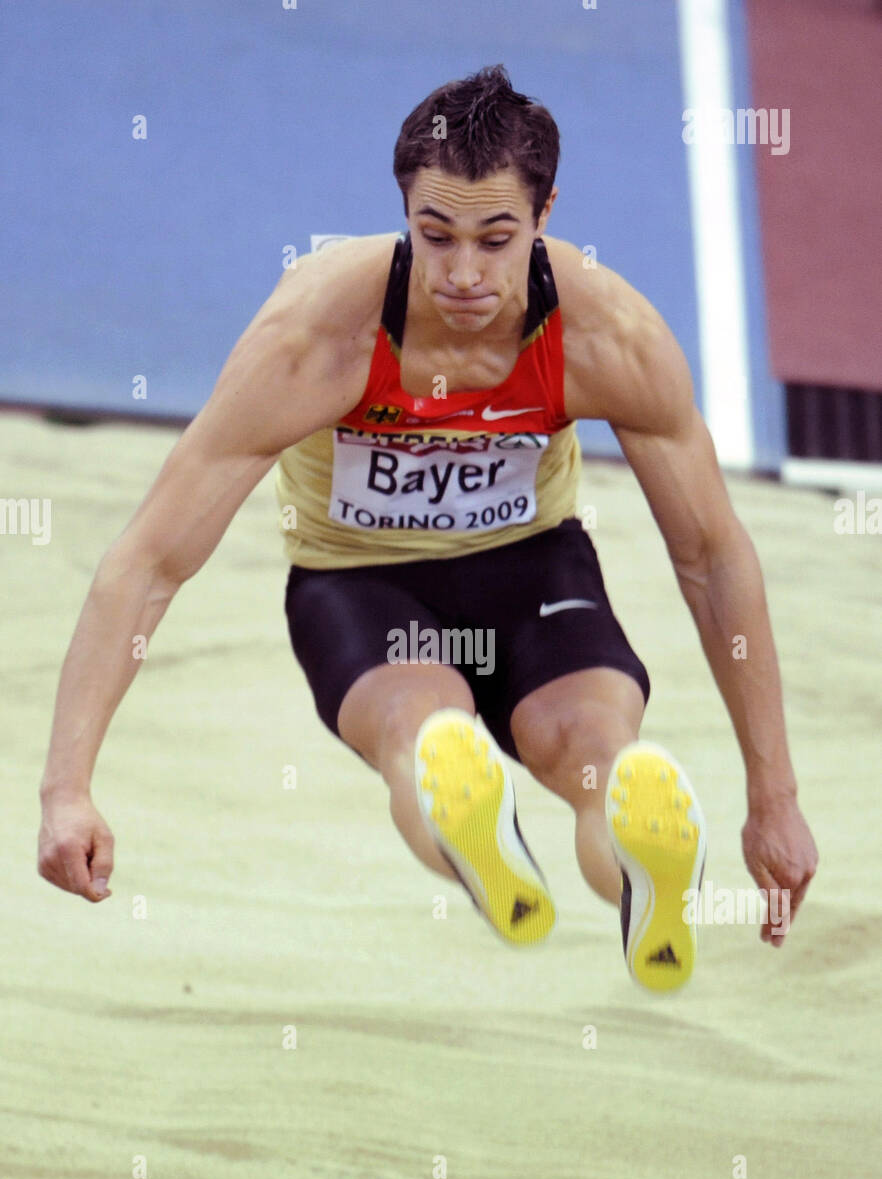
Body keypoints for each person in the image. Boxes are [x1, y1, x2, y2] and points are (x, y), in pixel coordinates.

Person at [37, 65, 817, 991]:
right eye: (434, 235)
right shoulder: (320, 334)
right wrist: (66, 788)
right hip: (360, 580)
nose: (462, 274)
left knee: (593, 750)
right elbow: (152, 558)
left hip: (531, 567)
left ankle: (644, 860)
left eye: (497, 240)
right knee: (427, 733)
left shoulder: (607, 334)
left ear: (547, 214)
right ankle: (474, 805)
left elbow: (712, 554)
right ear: (402, 210)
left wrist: (775, 795)